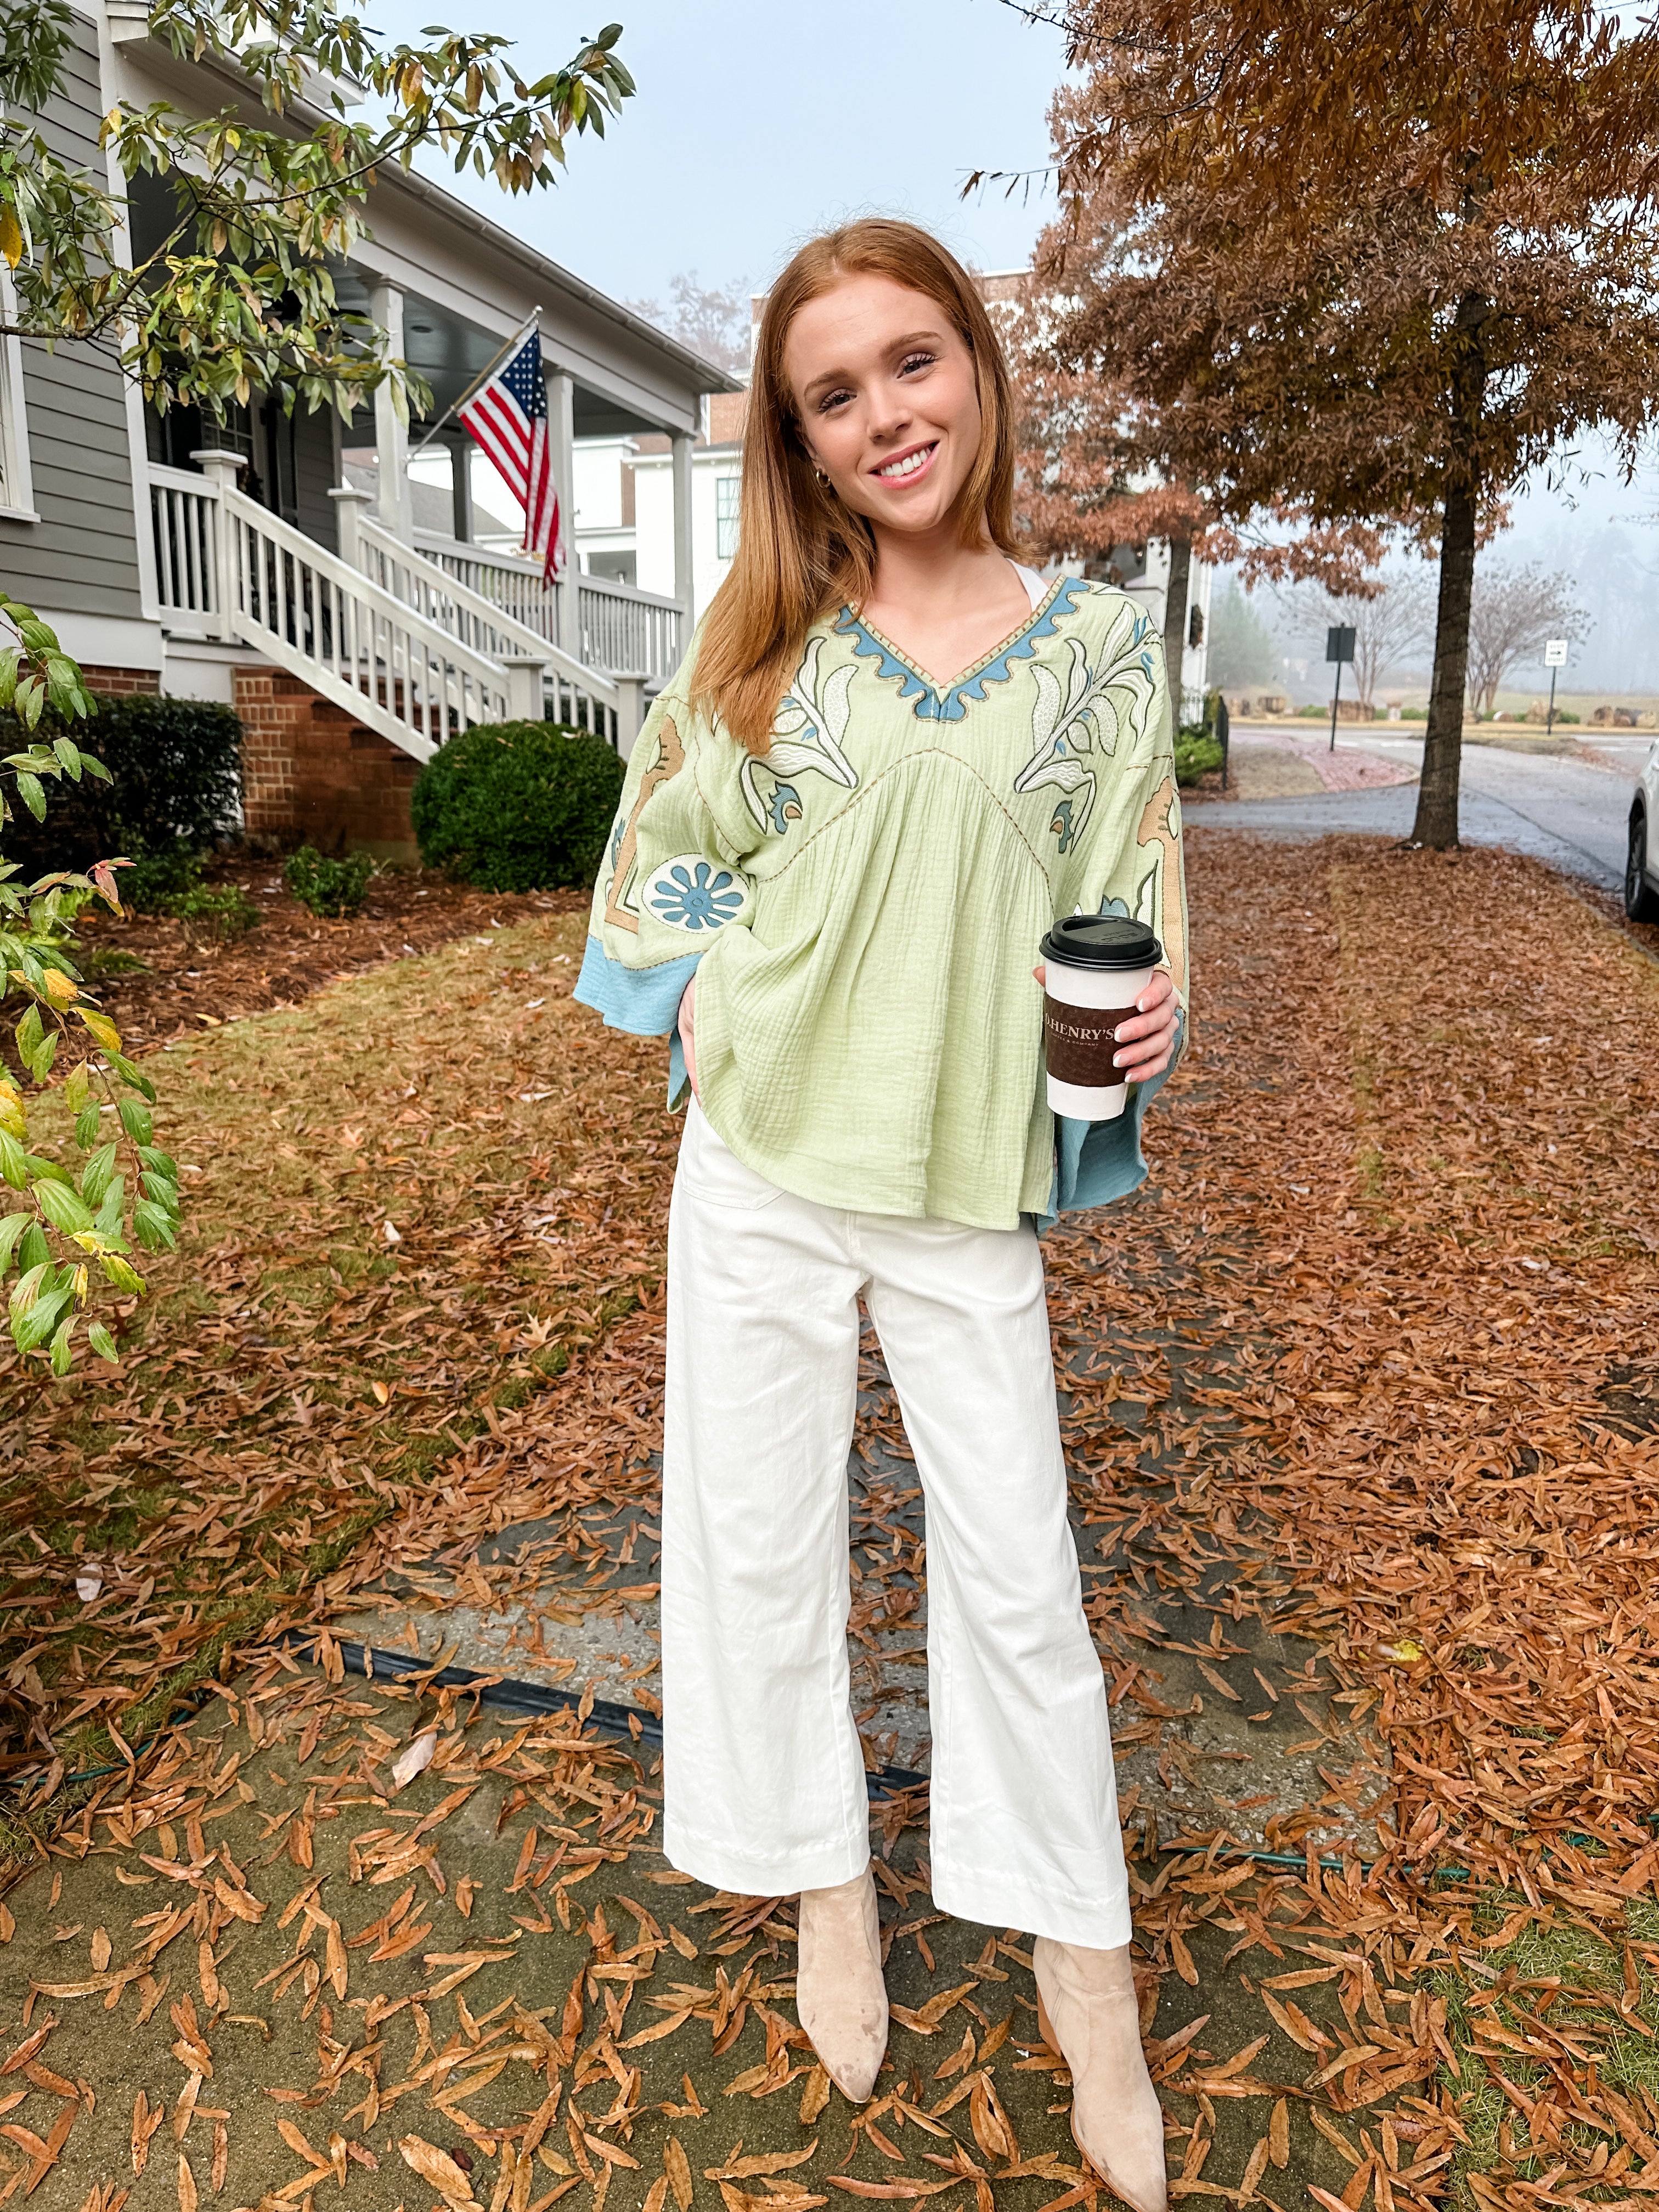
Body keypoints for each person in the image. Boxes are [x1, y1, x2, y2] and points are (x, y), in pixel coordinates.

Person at [575, 218, 1186, 2212]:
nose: (883, 417)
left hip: (958, 1180)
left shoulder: (1099, 649)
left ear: (979, 370)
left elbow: (1130, 898)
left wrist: (1150, 1014)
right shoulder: (763, 637)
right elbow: (658, 863)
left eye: (911, 365)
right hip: (758, 1168)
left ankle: (1083, 1971)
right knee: (759, 1554)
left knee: (1018, 1576)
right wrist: (725, 996)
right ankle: (829, 1889)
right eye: (834, 396)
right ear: (802, 438)